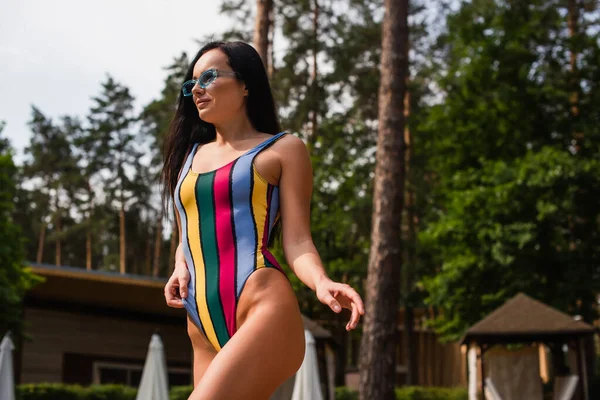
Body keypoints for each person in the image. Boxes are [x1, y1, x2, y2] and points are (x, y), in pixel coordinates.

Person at [161, 40, 365, 400]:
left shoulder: (284, 149)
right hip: (199, 318)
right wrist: (179, 266)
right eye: (191, 83)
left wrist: (321, 282)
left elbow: (298, 240)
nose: (196, 89)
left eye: (208, 77)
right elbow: (187, 234)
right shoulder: (187, 156)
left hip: (261, 305)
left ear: (244, 84)